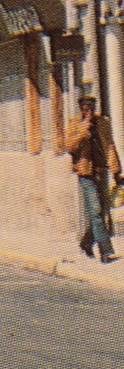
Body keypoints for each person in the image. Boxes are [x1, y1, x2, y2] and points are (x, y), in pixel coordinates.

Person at [65, 95, 122, 263]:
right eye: (85, 107)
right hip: (86, 173)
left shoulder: (103, 122)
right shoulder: (74, 124)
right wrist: (83, 132)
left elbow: (109, 145)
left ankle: (86, 242)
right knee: (96, 212)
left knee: (102, 212)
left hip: (102, 170)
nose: (88, 110)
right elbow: (69, 147)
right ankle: (106, 251)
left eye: (91, 107)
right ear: (81, 109)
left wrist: (116, 170)